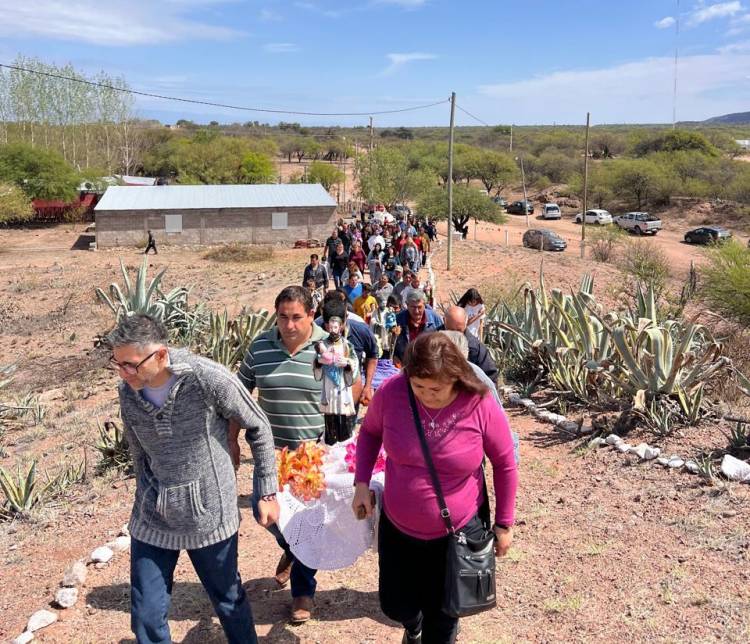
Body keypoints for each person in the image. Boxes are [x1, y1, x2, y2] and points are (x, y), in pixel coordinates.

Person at [108, 314, 278, 644]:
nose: (122, 372)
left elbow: (258, 425)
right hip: (153, 518)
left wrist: (266, 490)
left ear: (160, 355)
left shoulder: (207, 379)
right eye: (116, 363)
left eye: (130, 364)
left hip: (209, 515)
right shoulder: (128, 393)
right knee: (146, 615)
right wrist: (146, 498)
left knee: (228, 600)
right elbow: (139, 454)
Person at [352, 332, 518, 644]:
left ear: (455, 378)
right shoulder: (393, 392)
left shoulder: (478, 402)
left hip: (456, 533)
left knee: (442, 619)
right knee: (395, 604)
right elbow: (370, 433)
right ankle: (412, 627)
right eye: (419, 387)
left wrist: (504, 523)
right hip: (398, 528)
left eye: (436, 389)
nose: (427, 395)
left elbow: (505, 461)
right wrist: (361, 484)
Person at [238, 286, 327, 624]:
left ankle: (303, 592)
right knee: (266, 514)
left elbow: (347, 393)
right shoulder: (260, 346)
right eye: (282, 317)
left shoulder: (328, 348)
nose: (288, 326)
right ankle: (291, 549)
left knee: (308, 522)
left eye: (296, 318)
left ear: (310, 316)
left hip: (312, 454)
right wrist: (232, 439)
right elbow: (239, 395)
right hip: (269, 452)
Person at [314, 300, 359, 444]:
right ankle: (330, 444)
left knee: (344, 423)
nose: (333, 329)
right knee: (329, 421)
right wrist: (320, 362)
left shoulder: (347, 345)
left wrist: (347, 364)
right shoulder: (322, 344)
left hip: (342, 390)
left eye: (336, 326)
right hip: (328, 388)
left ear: (341, 326)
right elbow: (315, 366)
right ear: (326, 326)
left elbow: (355, 364)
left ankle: (344, 446)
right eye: (330, 326)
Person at [444, 305, 498, 383]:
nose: (455, 335)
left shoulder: (476, 348)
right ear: (444, 321)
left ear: (465, 325)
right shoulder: (433, 341)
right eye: (451, 330)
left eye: (459, 330)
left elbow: (491, 378)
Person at [393, 290, 444, 365]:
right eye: (413, 307)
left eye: (419, 307)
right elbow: (391, 343)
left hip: (429, 366)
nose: (416, 311)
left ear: (425, 304)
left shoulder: (434, 318)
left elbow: (443, 342)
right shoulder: (398, 319)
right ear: (407, 305)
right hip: (405, 366)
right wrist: (394, 356)